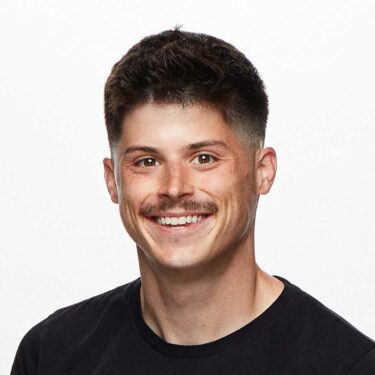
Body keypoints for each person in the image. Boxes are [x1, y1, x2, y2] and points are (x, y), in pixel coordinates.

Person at [11, 28, 375, 374]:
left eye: (204, 158)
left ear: (263, 171)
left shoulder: (346, 365)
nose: (174, 188)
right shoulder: (51, 356)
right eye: (147, 161)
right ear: (113, 181)